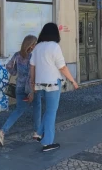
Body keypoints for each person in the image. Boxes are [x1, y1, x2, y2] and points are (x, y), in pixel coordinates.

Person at [27, 23, 79, 152]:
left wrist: (33, 84)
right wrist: (73, 80)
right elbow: (62, 67)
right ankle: (47, 142)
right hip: (53, 83)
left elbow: (32, 67)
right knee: (51, 112)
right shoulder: (54, 47)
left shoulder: (37, 47)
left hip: (41, 83)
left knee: (49, 110)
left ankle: (38, 133)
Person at [0, 35, 39, 147]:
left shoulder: (17, 55)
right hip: (30, 87)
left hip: (19, 87)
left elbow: (9, 66)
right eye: (35, 43)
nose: (36, 45)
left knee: (18, 111)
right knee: (37, 108)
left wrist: (15, 72)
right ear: (32, 45)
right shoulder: (33, 56)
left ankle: (3, 131)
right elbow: (31, 75)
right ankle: (37, 132)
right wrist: (31, 92)